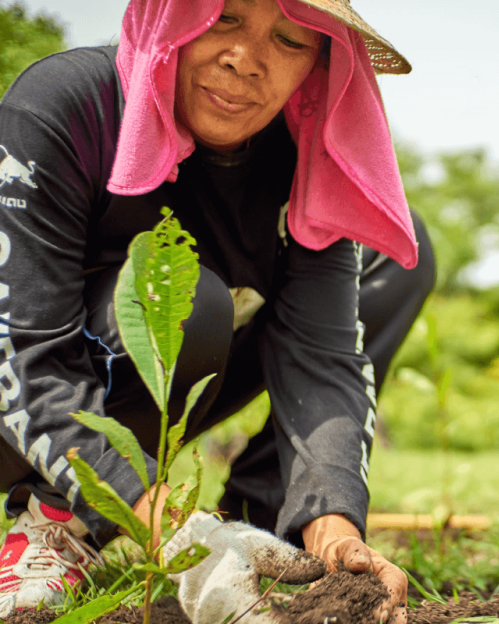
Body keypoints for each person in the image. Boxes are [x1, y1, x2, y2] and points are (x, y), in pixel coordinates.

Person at [0, 0, 435, 620]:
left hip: (141, 386)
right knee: (182, 299)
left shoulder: (307, 154)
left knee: (397, 243)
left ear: (320, 63)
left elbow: (324, 353)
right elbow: (22, 354)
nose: (246, 60)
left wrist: (336, 535)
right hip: (18, 398)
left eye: (290, 40)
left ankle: (264, 532)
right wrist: (180, 534)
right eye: (225, 19)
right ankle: (60, 519)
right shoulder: (66, 105)